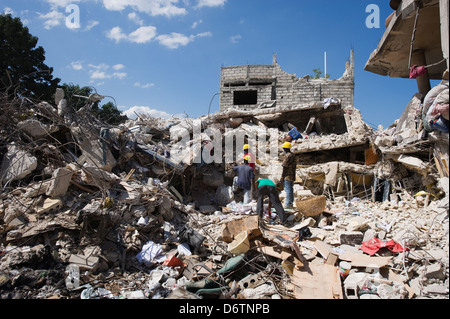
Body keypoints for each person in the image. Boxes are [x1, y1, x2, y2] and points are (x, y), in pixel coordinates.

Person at [281, 142, 296, 209]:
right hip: (292, 174)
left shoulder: (287, 155)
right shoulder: (293, 155)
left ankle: (288, 204)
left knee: (288, 189)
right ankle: (291, 202)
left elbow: (285, 166)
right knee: (290, 188)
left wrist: (282, 176)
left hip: (287, 175)